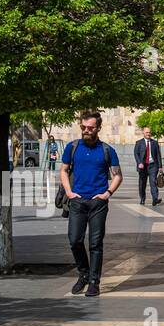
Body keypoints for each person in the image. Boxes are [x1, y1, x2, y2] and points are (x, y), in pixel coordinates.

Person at [59, 110, 122, 298]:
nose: (86, 130)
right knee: (74, 240)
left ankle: (94, 282)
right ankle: (84, 273)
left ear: (98, 128)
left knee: (95, 243)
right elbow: (63, 171)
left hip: (98, 203)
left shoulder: (107, 150)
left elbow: (117, 175)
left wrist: (107, 193)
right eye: (84, 127)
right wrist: (69, 192)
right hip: (77, 201)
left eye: (90, 128)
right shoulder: (72, 147)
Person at [132, 126, 164, 206]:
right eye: (147, 132)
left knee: (153, 182)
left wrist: (160, 167)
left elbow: (158, 155)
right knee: (142, 184)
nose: (148, 134)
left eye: (149, 132)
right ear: (143, 133)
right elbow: (136, 154)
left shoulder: (154, 143)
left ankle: (155, 199)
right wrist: (139, 163)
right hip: (143, 166)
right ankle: (142, 198)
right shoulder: (139, 143)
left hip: (153, 165)